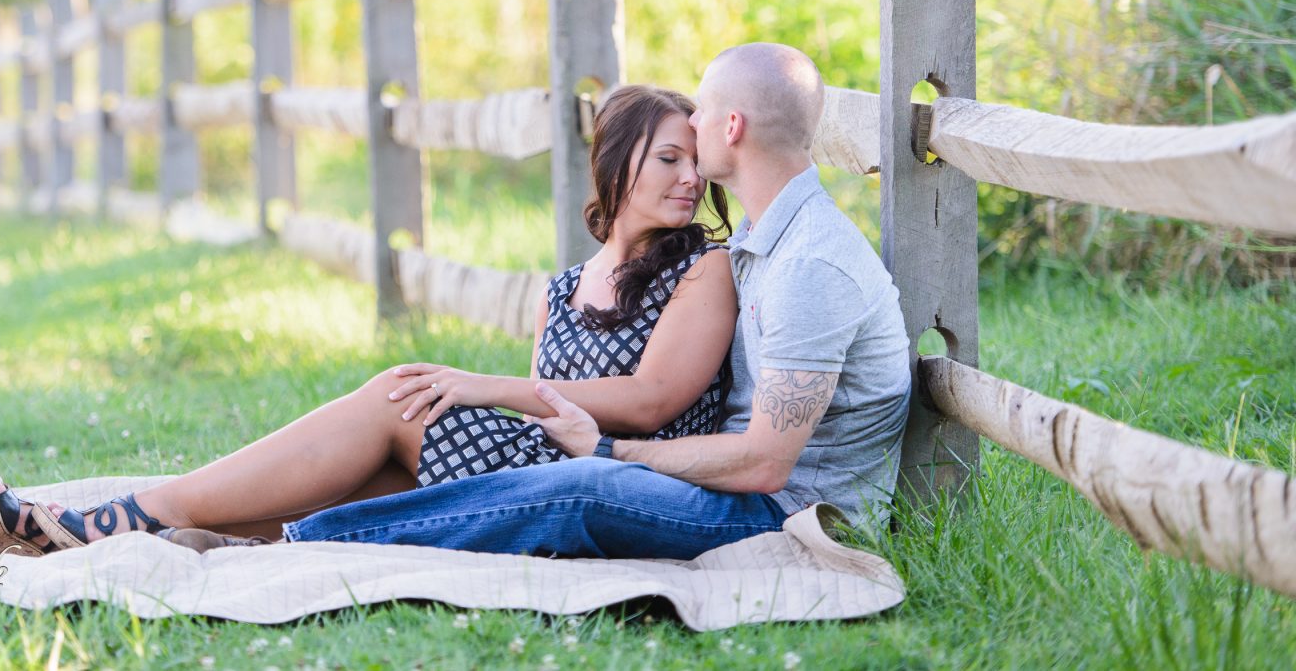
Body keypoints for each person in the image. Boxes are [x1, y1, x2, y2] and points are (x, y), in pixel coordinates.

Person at [182, 43, 912, 559]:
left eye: (703, 113)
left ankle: (294, 543)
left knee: (581, 487)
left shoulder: (812, 263)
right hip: (736, 490)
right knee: (430, 428)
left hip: (782, 517)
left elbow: (763, 466)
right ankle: (200, 521)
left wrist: (609, 449)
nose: (689, 136)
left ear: (731, 128)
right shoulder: (765, 238)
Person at [0, 84, 738, 555]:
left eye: (694, 161)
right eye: (669, 158)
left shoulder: (701, 268)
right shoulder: (566, 284)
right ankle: (139, 535)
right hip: (546, 465)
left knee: (398, 398)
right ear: (617, 161)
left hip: (623, 482)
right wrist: (493, 396)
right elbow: (548, 410)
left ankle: (126, 518)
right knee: (358, 474)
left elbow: (652, 400)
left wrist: (481, 386)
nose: (690, 177)